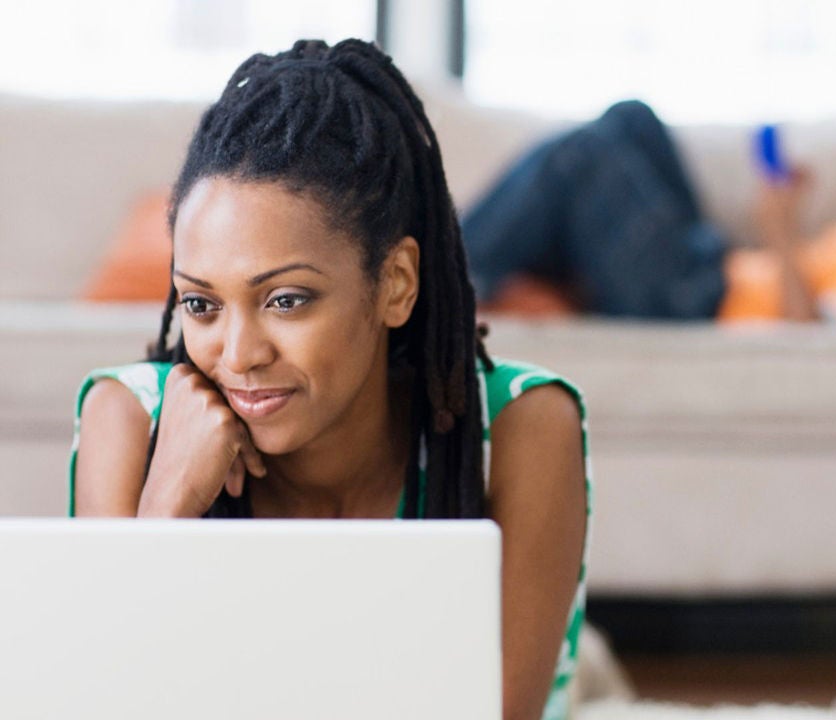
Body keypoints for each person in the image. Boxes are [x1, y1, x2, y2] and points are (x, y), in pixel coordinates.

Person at [68, 40, 588, 720]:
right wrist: (165, 507)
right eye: (201, 304)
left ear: (396, 284)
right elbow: (98, 704)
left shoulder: (522, 426)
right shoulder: (129, 420)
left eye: (286, 300)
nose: (239, 353)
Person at [460, 100, 836, 322]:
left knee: (586, 158)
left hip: (700, 303)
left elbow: (814, 337)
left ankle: (452, 270)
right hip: (710, 269)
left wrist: (780, 230)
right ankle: (537, 277)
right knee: (633, 122)